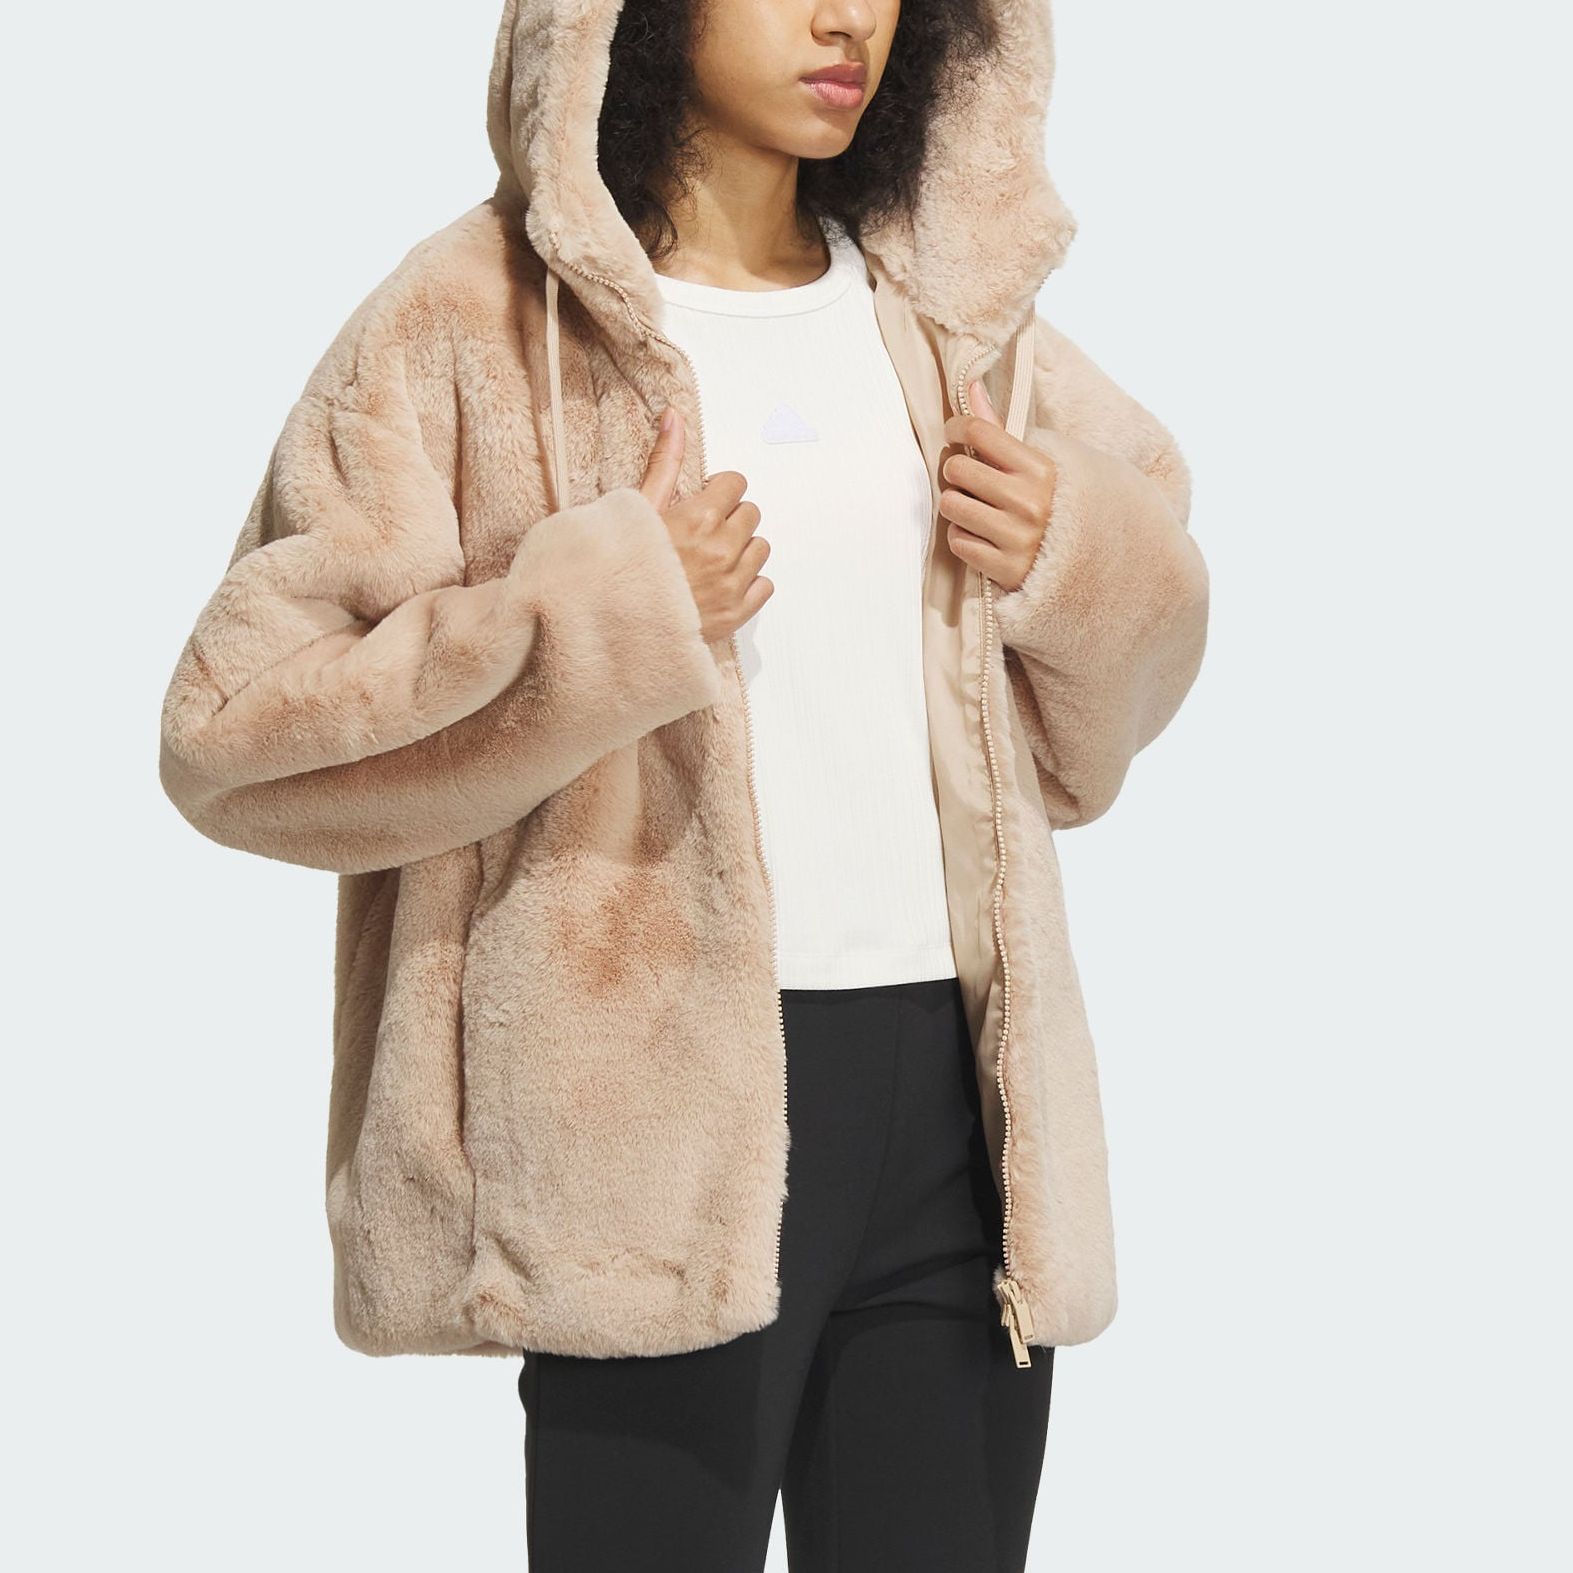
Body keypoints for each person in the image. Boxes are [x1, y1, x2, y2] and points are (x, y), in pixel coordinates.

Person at [156, 0, 1209, 1565]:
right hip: (641, 1135)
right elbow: (234, 732)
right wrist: (596, 611)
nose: (846, 18)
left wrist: (1076, 549)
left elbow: (1115, 695)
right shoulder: (471, 318)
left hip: (959, 1110)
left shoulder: (951, 321)